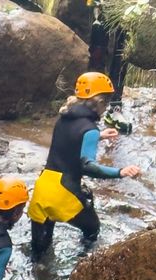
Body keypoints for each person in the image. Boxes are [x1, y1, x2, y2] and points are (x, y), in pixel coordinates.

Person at [28, 72, 142, 259]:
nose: (106, 108)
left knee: (39, 255)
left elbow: (68, 143)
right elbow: (88, 166)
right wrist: (120, 172)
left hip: (43, 189)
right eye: (106, 103)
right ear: (99, 102)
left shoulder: (63, 117)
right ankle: (82, 265)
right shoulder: (89, 130)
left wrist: (99, 135)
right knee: (92, 231)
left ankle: (39, 279)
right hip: (64, 193)